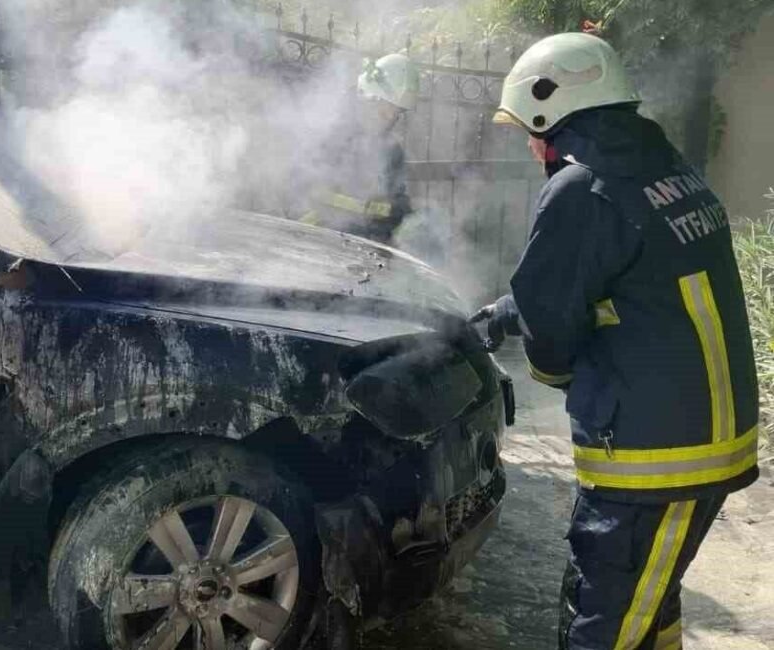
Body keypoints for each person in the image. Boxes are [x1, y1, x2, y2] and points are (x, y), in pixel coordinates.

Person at [472, 32, 759, 650]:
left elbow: (552, 333)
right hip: (702, 438)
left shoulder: (582, 187)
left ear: (552, 113)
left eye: (528, 126)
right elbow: (619, 275)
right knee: (650, 603)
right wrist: (501, 313)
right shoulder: (662, 165)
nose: (527, 143)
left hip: (651, 460)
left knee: (600, 624)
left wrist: (551, 364)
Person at [299, 51, 418, 244]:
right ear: (370, 98)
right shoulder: (332, 133)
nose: (392, 116)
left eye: (398, 111)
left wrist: (394, 209)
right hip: (319, 243)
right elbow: (302, 188)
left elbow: (400, 205)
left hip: (368, 249)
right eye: (387, 107)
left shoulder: (392, 150)